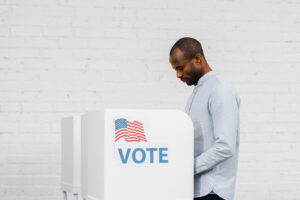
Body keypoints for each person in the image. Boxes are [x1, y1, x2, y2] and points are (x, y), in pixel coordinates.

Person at [169, 37, 241, 200]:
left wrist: (188, 167)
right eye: (175, 70)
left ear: (197, 59)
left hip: (213, 192)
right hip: (196, 189)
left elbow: (225, 146)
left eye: (180, 68)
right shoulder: (198, 92)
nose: (178, 75)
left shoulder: (220, 91)